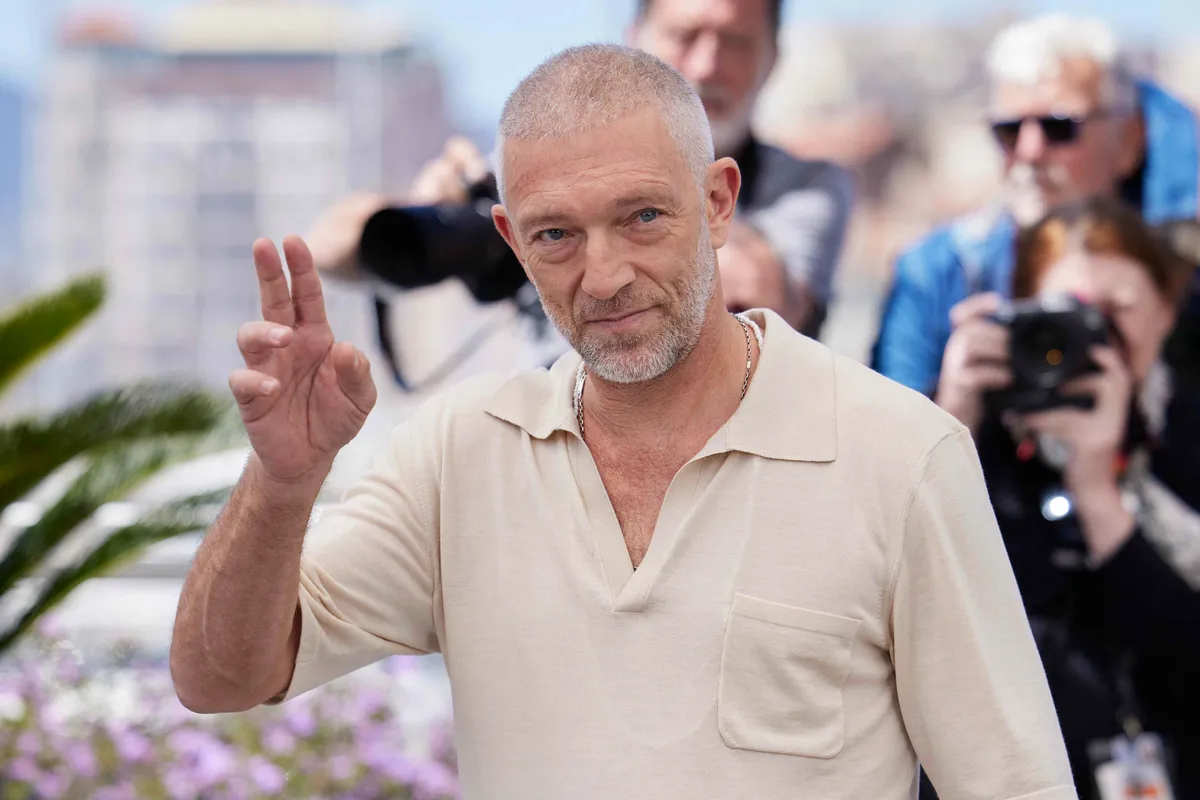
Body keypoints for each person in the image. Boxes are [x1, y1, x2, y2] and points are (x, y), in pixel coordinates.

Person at [170, 45, 1075, 799]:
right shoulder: (458, 455)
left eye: (641, 216)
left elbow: (1013, 784)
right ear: (511, 240)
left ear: (719, 203)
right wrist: (284, 482)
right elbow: (221, 676)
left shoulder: (901, 454)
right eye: (556, 234)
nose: (602, 277)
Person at [308, 0, 854, 340]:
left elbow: (767, 297)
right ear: (635, 38)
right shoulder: (542, 164)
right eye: (555, 231)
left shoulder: (806, 187)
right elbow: (328, 248)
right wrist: (432, 208)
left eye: (735, 42)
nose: (708, 65)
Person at [934, 196, 1200, 799]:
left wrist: (1097, 490)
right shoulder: (970, 432)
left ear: (1165, 311)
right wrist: (948, 428)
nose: (1091, 339)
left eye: (1117, 312)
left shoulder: (1186, 435)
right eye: (1071, 314)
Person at [871, 13, 1200, 397]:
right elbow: (885, 434)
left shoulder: (1180, 274)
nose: (1029, 152)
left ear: (1127, 141)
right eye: (1009, 131)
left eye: (1059, 127)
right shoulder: (936, 274)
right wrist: (953, 409)